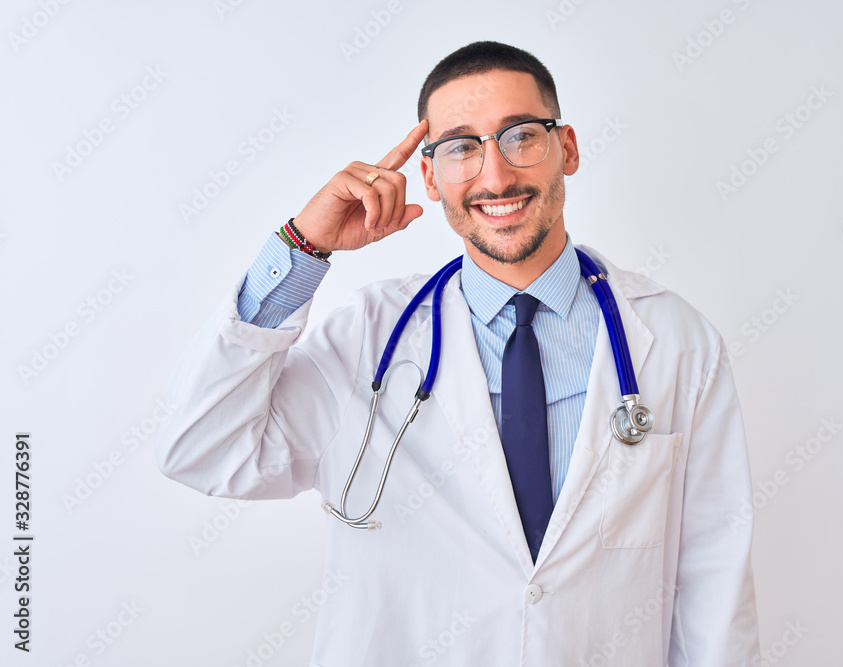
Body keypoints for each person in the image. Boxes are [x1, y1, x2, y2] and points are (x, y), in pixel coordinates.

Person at [157, 40, 761, 666]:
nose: (495, 175)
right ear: (429, 176)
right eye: (461, 148)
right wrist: (302, 247)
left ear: (568, 149)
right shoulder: (367, 338)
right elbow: (201, 449)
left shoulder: (676, 343)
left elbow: (714, 585)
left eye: (521, 136)